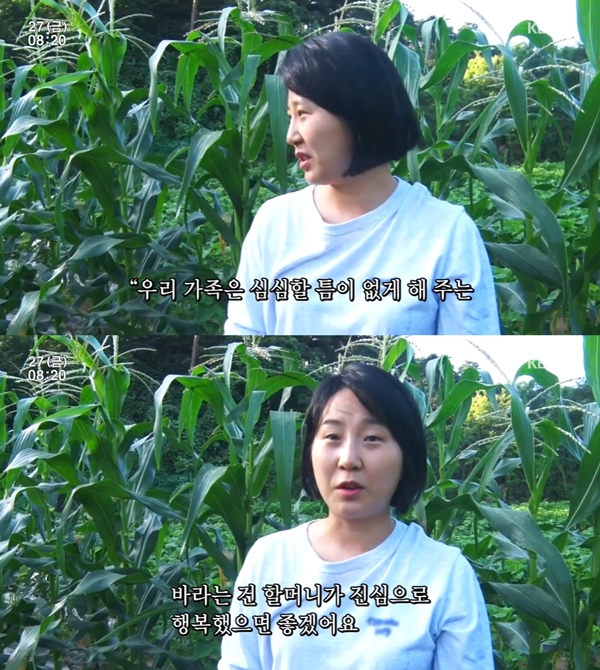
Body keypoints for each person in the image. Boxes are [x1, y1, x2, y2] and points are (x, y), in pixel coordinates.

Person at [218, 363, 495, 670]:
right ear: (310, 451)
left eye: (372, 438)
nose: (348, 459)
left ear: (406, 456)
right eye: (332, 436)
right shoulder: (270, 560)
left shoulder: (444, 573)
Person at [223, 32, 500, 336]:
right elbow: (244, 334)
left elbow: (470, 341)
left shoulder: (446, 232)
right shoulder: (275, 222)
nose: (291, 136)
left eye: (302, 113)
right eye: (290, 116)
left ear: (358, 111)